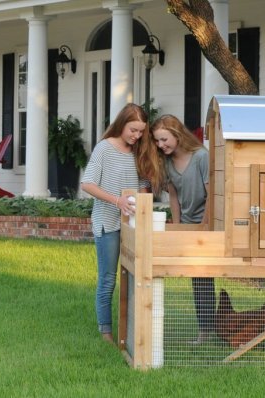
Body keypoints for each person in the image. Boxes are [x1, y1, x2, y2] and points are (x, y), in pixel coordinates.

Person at [81, 103, 164, 344]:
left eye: (140, 132)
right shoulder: (103, 149)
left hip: (132, 223)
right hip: (108, 222)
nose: (137, 136)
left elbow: (141, 184)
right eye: (133, 130)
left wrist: (143, 195)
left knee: (134, 277)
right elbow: (87, 184)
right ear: (122, 124)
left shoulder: (138, 150)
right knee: (108, 278)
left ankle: (131, 329)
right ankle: (105, 331)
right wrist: (117, 200)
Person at [150, 114, 215, 344]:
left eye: (164, 139)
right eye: (157, 141)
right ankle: (205, 331)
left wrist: (203, 228)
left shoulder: (201, 157)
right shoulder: (166, 162)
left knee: (203, 278)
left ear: (177, 134)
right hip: (186, 225)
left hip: (206, 225)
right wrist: (177, 228)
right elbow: (174, 197)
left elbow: (212, 196)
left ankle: (206, 332)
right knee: (196, 278)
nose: (161, 145)